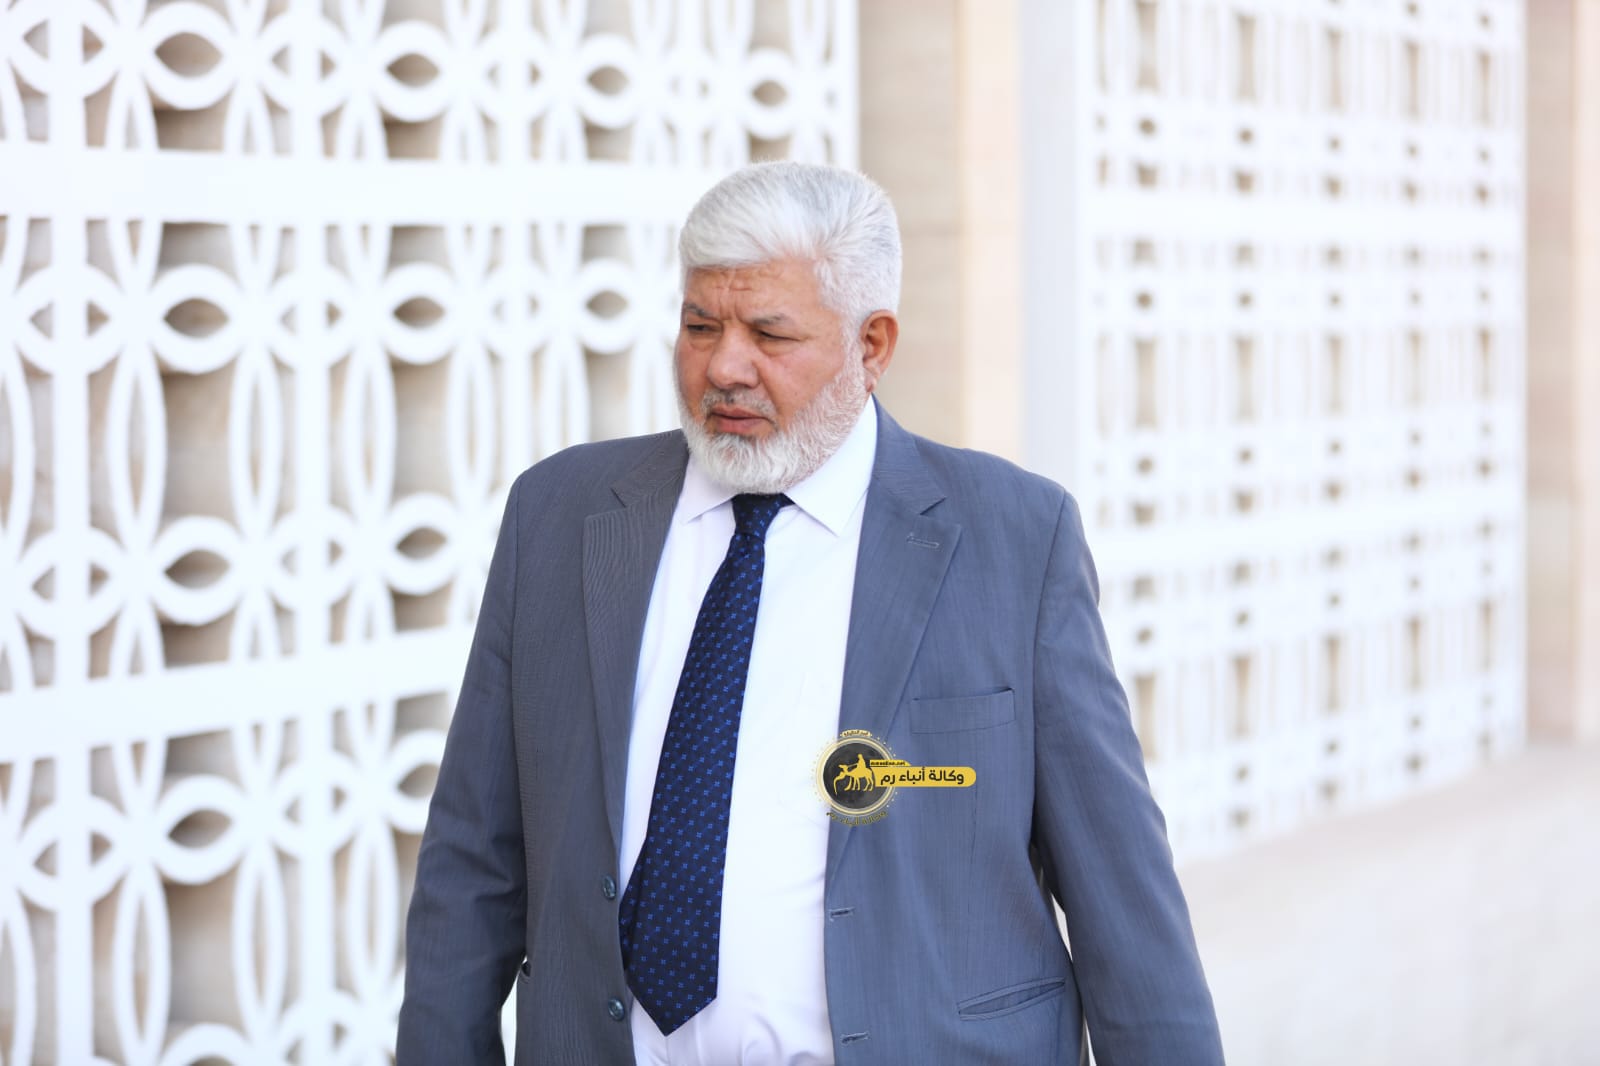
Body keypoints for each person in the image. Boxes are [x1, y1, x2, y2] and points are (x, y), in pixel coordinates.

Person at [397, 161, 1225, 1065]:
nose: (724, 366)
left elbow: (1121, 894)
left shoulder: (1015, 537)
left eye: (770, 333)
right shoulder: (560, 516)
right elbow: (473, 859)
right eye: (700, 325)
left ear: (872, 346)